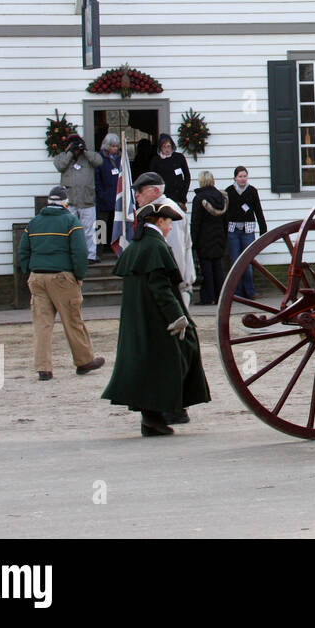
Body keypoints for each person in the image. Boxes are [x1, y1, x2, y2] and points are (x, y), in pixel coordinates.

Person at [101, 202, 211, 437]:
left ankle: (158, 416)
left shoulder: (138, 246)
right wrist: (178, 317)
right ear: (159, 222)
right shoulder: (154, 246)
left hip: (141, 319)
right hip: (155, 319)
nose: (170, 228)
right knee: (177, 355)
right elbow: (161, 287)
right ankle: (166, 412)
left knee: (152, 365)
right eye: (169, 222)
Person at [18, 185, 104, 381]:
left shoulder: (34, 223)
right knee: (72, 320)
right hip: (62, 277)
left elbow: (23, 251)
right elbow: (80, 252)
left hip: (37, 277)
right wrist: (79, 275)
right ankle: (84, 361)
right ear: (66, 203)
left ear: (49, 202)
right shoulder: (71, 221)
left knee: (42, 324)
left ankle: (44, 368)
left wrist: (29, 272)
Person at [132, 172, 195, 306]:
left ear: (155, 190)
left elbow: (176, 249)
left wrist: (174, 282)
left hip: (173, 284)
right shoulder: (153, 210)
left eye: (140, 190)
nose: (137, 194)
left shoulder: (167, 211)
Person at [53, 133, 102, 262]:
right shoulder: (62, 157)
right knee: (69, 230)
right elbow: (60, 166)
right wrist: (69, 152)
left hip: (87, 200)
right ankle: (70, 256)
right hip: (69, 201)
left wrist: (84, 150)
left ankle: (90, 255)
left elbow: (99, 161)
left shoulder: (89, 157)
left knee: (89, 230)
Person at [225, 166, 268, 298]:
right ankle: (236, 292)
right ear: (235, 178)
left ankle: (250, 291)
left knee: (248, 260)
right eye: (240, 176)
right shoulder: (229, 191)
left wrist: (263, 229)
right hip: (233, 229)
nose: (243, 179)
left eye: (244, 176)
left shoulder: (252, 191)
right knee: (235, 261)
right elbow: (225, 212)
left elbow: (258, 210)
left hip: (248, 229)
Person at [190, 171, 228, 306]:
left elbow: (196, 222)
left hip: (204, 238)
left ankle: (207, 297)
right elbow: (225, 221)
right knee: (218, 268)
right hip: (218, 236)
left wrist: (193, 240)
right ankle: (220, 296)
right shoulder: (221, 197)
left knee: (206, 268)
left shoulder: (199, 199)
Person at [95, 133, 123, 254]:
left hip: (117, 197)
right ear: (106, 146)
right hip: (103, 199)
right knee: (101, 225)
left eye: (117, 146)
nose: (115, 148)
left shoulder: (120, 159)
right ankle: (98, 250)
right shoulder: (100, 159)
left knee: (115, 224)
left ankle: (115, 248)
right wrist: (101, 194)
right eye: (112, 146)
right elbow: (96, 179)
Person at [150, 133, 191, 208]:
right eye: (164, 147)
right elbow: (153, 179)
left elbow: (187, 176)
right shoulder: (156, 160)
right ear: (160, 148)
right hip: (163, 198)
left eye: (168, 146)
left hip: (179, 197)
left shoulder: (179, 157)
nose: (167, 149)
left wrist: (184, 193)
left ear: (172, 146)